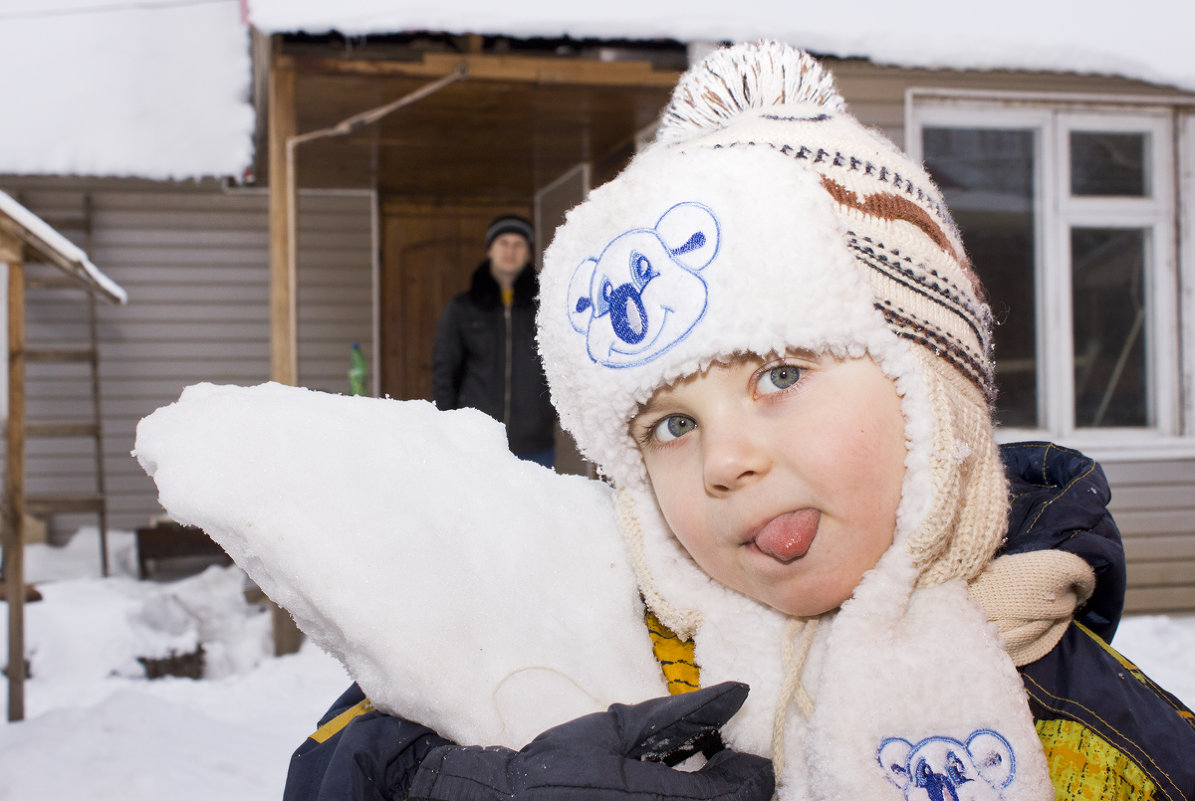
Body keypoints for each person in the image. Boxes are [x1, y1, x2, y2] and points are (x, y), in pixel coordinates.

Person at [286, 42, 1195, 801]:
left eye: (781, 372)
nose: (725, 460)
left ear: (931, 391)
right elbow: (338, 756)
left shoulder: (1109, 742)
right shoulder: (566, 628)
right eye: (669, 426)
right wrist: (457, 784)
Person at [432, 214, 557, 468]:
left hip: (535, 444)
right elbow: (445, 373)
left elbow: (561, 367)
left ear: (528, 253)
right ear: (490, 249)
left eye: (518, 244)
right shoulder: (462, 309)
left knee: (532, 508)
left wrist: (549, 415)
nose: (510, 251)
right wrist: (448, 428)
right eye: (503, 242)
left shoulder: (547, 308)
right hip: (476, 442)